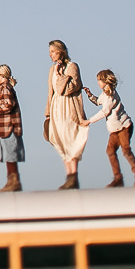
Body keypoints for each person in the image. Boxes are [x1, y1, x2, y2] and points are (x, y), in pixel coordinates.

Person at [44, 39, 90, 190]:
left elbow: (70, 88)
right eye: (50, 52)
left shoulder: (72, 67)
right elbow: (51, 91)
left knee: (71, 139)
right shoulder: (52, 69)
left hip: (68, 106)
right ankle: (68, 174)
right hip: (56, 107)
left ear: (60, 51)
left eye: (53, 51)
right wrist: (48, 112)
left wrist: (60, 75)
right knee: (60, 140)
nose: (50, 55)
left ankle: (73, 175)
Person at [85, 69, 135, 187]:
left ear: (106, 82)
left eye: (99, 81)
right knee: (110, 151)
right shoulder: (104, 95)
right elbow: (98, 102)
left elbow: (105, 111)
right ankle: (118, 178)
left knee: (126, 150)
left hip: (123, 126)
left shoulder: (111, 95)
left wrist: (89, 121)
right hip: (114, 129)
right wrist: (90, 95)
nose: (98, 83)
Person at [0, 63, 25, 192]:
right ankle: (11, 180)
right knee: (8, 154)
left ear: (2, 75)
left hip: (9, 127)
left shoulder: (5, 88)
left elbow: (8, 104)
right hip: (3, 127)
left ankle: (14, 181)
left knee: (10, 154)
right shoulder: (2, 88)